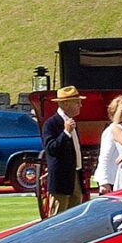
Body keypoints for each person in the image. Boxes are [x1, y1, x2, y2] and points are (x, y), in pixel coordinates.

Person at [40, 87, 84, 215]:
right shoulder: (51, 123)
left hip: (74, 174)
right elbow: (51, 149)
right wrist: (65, 133)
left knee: (74, 215)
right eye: (76, 102)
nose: (80, 105)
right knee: (58, 216)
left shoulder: (72, 122)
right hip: (61, 179)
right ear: (65, 104)